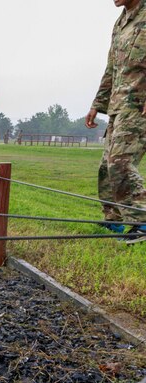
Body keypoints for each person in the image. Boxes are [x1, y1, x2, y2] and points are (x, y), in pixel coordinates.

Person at [85, 0, 146, 242]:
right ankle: (113, 220)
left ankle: (142, 222)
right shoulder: (121, 21)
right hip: (117, 106)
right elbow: (112, 68)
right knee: (106, 167)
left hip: (139, 107)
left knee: (119, 163)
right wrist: (96, 105)